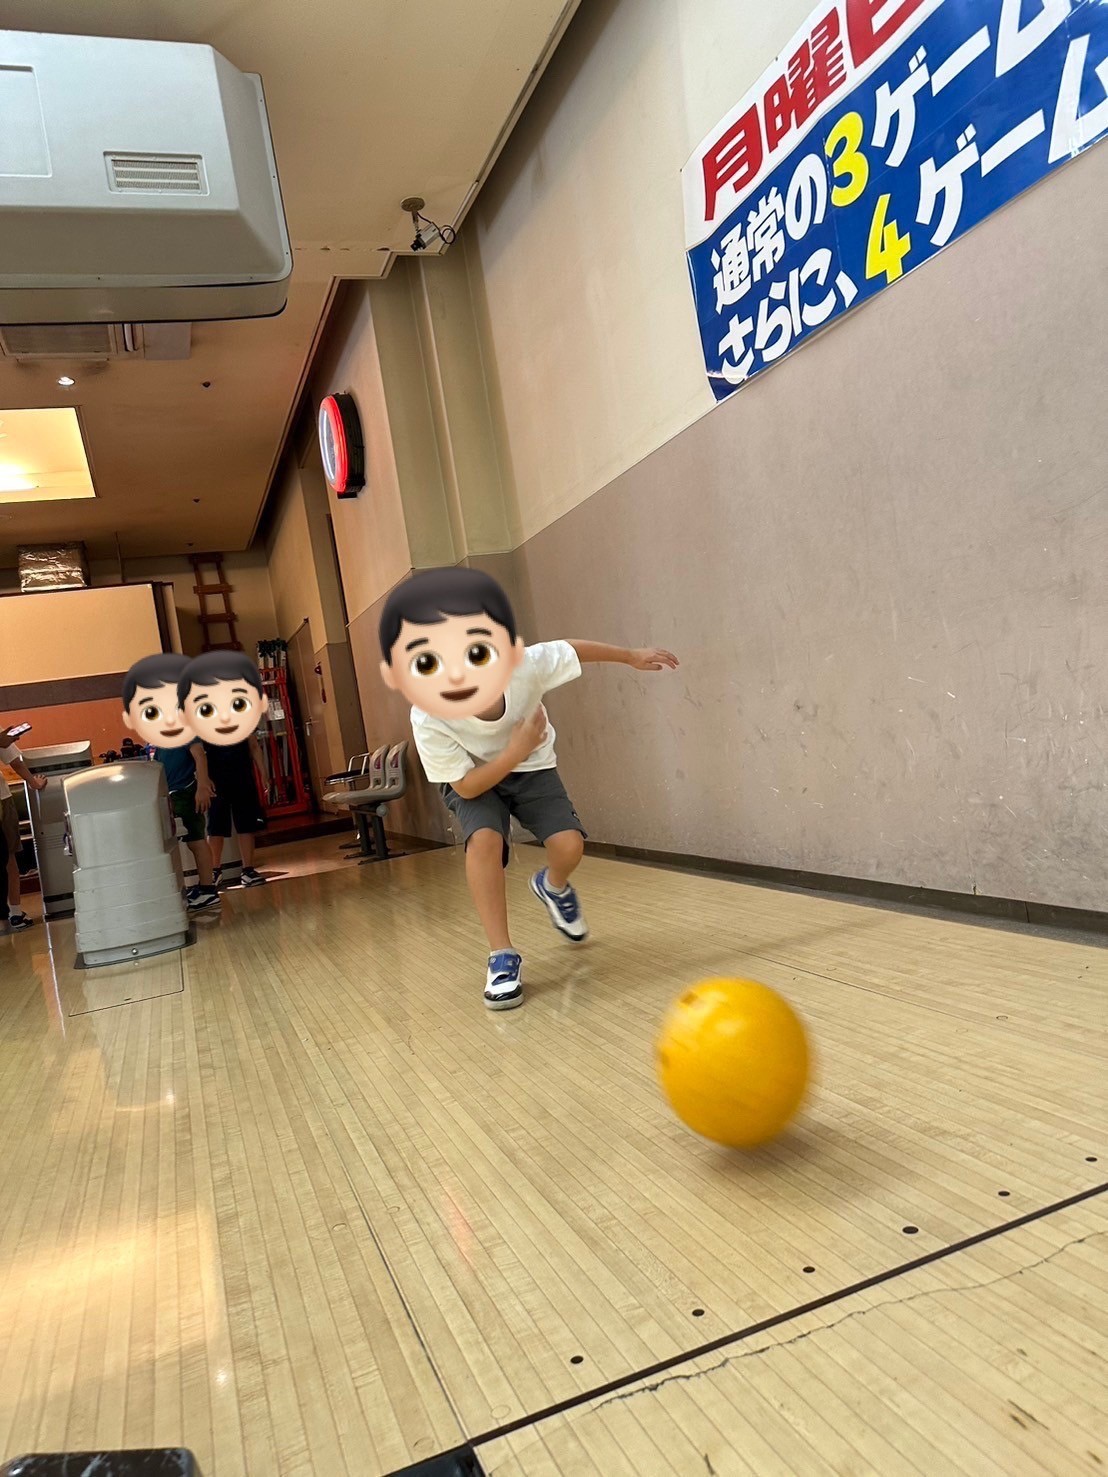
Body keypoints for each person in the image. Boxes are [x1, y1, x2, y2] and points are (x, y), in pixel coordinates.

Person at [379, 567, 678, 1009]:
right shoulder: (427, 714)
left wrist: (630, 655)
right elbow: (465, 787)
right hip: (473, 779)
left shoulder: (524, 665)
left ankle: (553, 886)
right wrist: (513, 750)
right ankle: (501, 954)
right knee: (484, 841)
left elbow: (571, 650)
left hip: (532, 768)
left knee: (569, 846)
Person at [121, 654, 221, 911]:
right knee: (185, 839)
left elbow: (199, 755)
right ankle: (200, 886)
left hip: (186, 791)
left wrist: (202, 785)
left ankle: (209, 889)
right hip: (171, 793)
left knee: (196, 839)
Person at [177, 651, 269, 888]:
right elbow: (197, 750)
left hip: (242, 774)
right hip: (215, 776)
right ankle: (215, 870)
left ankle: (248, 870)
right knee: (216, 825)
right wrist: (203, 779)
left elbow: (253, 745)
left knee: (246, 823)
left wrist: (263, 773)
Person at [0, 727, 47, 931]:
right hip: (1, 801)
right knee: (8, 858)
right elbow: (15, 762)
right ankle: (15, 913)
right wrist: (33, 782)